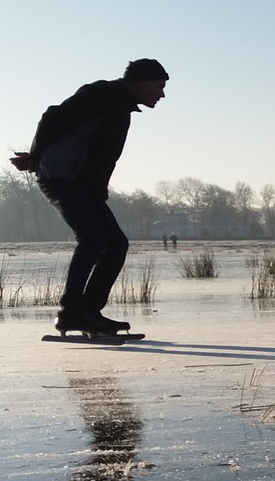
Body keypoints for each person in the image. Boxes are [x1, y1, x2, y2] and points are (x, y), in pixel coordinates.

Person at [12, 59, 168, 335]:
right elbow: (51, 117)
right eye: (159, 86)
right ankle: (71, 313)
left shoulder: (120, 108)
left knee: (116, 244)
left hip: (83, 185)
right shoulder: (103, 95)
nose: (162, 94)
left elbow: (99, 156)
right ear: (141, 82)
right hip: (61, 179)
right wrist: (36, 158)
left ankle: (89, 313)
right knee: (93, 240)